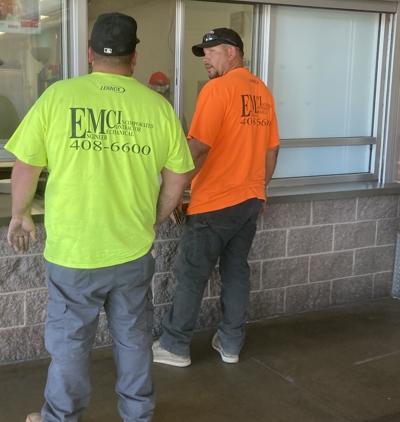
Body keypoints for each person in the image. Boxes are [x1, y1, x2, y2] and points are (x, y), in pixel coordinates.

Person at [4, 12, 194, 422]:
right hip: (131, 251)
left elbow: (25, 165)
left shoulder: (58, 97)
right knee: (133, 339)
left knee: (70, 344)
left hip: (73, 253)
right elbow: (178, 179)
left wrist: (20, 214)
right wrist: (155, 221)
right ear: (135, 58)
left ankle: (59, 418)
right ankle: (138, 416)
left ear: (90, 54)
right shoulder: (157, 107)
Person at [152, 27, 280, 367]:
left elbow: (196, 149)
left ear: (232, 53)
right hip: (250, 201)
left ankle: (175, 345)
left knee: (191, 274)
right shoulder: (263, 93)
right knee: (236, 271)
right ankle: (231, 343)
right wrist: (260, 190)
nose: (205, 58)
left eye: (212, 51)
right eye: (203, 52)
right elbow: (272, 150)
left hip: (214, 203)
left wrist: (173, 190)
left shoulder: (217, 89)